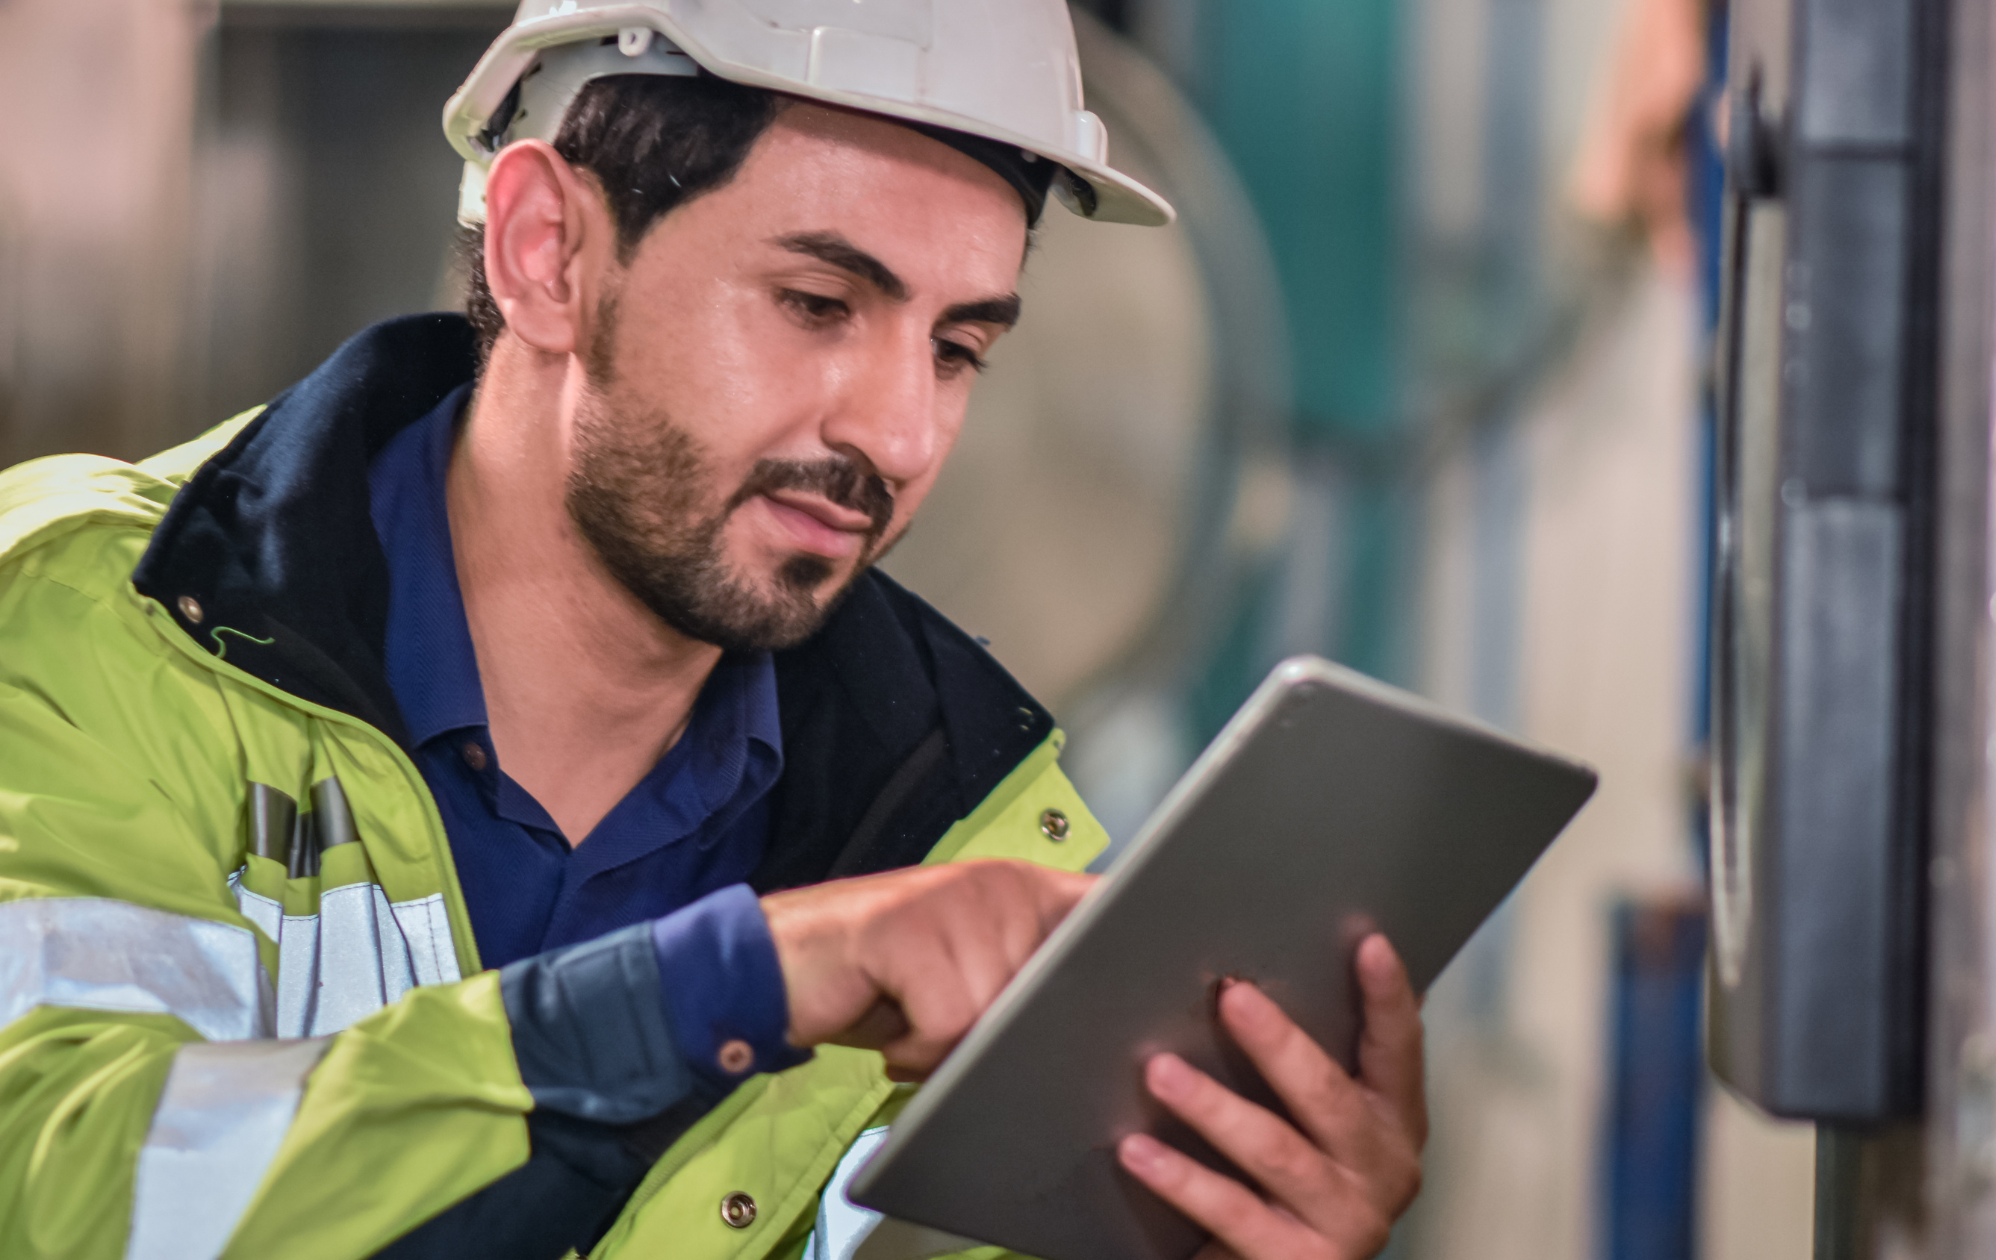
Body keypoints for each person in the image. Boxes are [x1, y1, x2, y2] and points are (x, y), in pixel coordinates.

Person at [0, 3, 1426, 1258]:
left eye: (958, 345)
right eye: (817, 304)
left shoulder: (972, 840)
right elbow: (51, 1198)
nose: (902, 432)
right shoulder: (90, 633)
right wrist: (730, 987)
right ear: (546, 250)